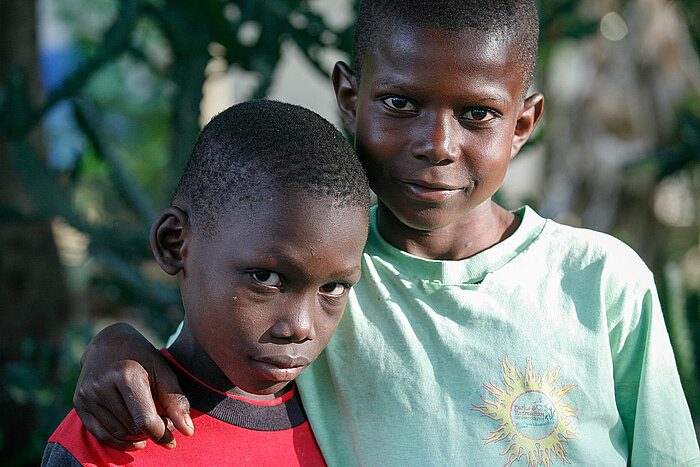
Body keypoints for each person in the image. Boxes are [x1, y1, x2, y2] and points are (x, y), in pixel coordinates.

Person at [72, 1, 700, 465]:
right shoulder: (319, 276)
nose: (436, 146)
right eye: (400, 104)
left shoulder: (600, 281)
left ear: (524, 122)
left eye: (478, 113)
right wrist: (118, 345)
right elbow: (196, 360)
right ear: (349, 95)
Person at [42, 100, 371, 466]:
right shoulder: (110, 438)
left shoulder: (345, 431)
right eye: (266, 277)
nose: (301, 327)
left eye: (333, 288)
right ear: (174, 244)